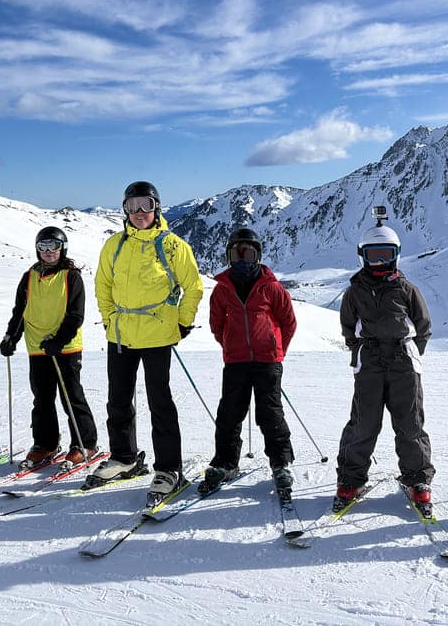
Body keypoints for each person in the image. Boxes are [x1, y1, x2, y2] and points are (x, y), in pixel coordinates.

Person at [85, 181, 203, 502]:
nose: (139, 213)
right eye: (132, 206)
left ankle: (169, 468)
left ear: (156, 208)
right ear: (124, 209)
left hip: (157, 336)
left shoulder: (173, 246)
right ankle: (124, 459)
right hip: (121, 334)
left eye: (145, 205)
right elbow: (102, 285)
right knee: (118, 401)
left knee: (159, 402)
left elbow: (192, 286)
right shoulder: (114, 244)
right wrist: (109, 318)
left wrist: (182, 321)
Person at [335, 211, 434, 513]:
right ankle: (351, 479)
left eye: (385, 256)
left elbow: (424, 325)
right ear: (362, 257)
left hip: (403, 362)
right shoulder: (354, 291)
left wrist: (412, 352)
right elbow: (348, 327)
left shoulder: (405, 289)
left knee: (409, 423)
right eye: (373, 256)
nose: (379, 263)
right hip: (371, 363)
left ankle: (417, 480)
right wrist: (361, 352)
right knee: (364, 423)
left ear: (396, 256)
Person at [201, 228, 297, 496]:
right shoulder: (222, 289)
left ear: (258, 256)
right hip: (236, 362)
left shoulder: (272, 287)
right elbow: (216, 324)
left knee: (270, 413)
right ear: (229, 256)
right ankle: (226, 463)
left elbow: (288, 322)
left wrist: (277, 349)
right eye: (236, 253)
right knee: (229, 414)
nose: (242, 259)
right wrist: (231, 346)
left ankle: (280, 463)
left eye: (248, 253)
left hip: (267, 360)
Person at [0, 227, 99, 469]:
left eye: (54, 246)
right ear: (37, 249)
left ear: (62, 248)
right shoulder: (29, 276)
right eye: (43, 246)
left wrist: (59, 340)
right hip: (37, 347)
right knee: (42, 398)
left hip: (65, 348)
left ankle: (85, 443)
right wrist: (11, 337)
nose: (48, 252)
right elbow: (20, 311)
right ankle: (46, 444)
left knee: (71, 396)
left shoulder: (71, 276)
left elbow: (76, 315)